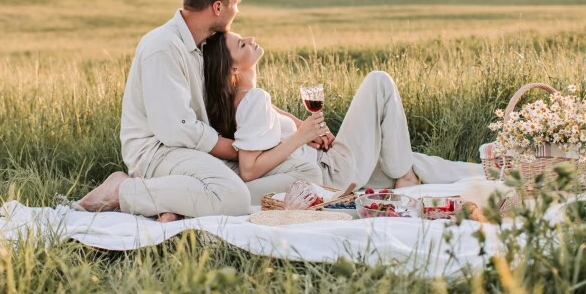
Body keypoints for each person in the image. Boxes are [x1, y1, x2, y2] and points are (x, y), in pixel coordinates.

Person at [75, 0, 319, 220]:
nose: (237, 10)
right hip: (158, 153)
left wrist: (293, 125)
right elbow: (177, 129)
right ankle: (122, 190)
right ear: (217, 7)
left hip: (196, 151)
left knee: (307, 173)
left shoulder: (205, 45)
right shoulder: (163, 47)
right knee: (233, 197)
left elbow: (236, 96)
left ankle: (186, 201)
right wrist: (239, 149)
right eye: (234, 3)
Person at [202, 31, 484, 192]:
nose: (250, 38)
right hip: (331, 173)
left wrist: (305, 129)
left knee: (411, 161)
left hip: (329, 164)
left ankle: (493, 174)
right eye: (241, 44)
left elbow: (270, 122)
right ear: (234, 68)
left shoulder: (249, 97)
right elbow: (250, 170)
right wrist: (301, 137)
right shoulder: (253, 100)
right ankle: (407, 180)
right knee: (379, 82)